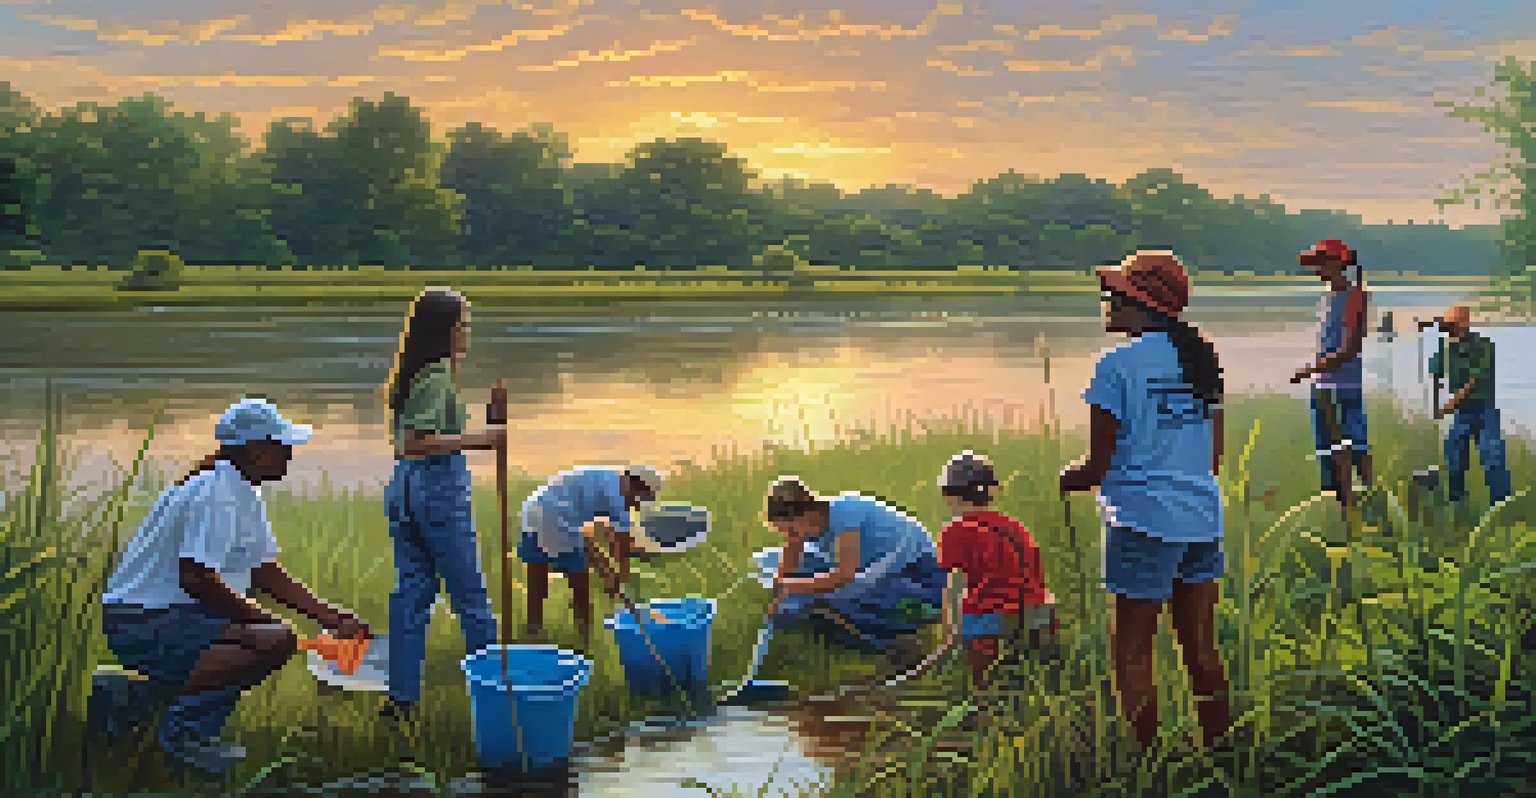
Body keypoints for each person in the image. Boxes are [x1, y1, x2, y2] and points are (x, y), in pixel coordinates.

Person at [99, 399, 371, 775]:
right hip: (141, 623)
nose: (291, 454)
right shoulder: (217, 494)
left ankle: (129, 699)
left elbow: (263, 571)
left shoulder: (239, 489)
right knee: (270, 641)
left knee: (267, 638)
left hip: (158, 618)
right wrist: (264, 622)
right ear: (258, 452)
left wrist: (332, 616)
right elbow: (195, 578)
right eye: (283, 445)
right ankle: (183, 737)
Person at [1060, 250, 1231, 753]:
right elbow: (1211, 458)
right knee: (1200, 647)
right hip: (1201, 520)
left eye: (1113, 294)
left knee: (1132, 654)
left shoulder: (1115, 367)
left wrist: (1069, 477)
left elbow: (1097, 467)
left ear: (1140, 302)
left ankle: (1148, 767)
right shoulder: (1201, 360)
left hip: (1141, 524)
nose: (1105, 302)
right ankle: (1222, 756)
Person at [383, 287, 504, 721]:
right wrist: (483, 440)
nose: (467, 334)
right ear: (447, 329)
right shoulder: (434, 376)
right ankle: (495, 694)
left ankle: (401, 700)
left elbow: (408, 443)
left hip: (404, 489)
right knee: (471, 597)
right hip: (435, 488)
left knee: (412, 594)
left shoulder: (414, 375)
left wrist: (485, 422)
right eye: (464, 324)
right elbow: (417, 443)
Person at [755, 477, 946, 662]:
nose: (791, 537)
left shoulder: (846, 512)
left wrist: (790, 587)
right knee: (771, 563)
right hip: (874, 571)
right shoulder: (806, 527)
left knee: (833, 599)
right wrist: (777, 595)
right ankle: (836, 619)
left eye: (791, 530)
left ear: (807, 513)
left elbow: (844, 575)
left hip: (918, 575)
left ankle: (898, 639)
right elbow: (786, 569)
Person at [936, 451, 1058, 689]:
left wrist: (948, 630)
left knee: (986, 691)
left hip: (990, 619)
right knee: (1034, 688)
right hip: (1040, 612)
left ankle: (981, 704)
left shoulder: (955, 529)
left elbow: (950, 586)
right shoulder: (1015, 525)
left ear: (949, 495)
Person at [517, 464, 665, 638]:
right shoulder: (618, 498)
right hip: (558, 519)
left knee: (537, 580)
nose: (636, 507)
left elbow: (608, 537)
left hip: (532, 511)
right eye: (639, 501)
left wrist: (606, 565)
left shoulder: (606, 478)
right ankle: (584, 639)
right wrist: (619, 582)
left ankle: (533, 632)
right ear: (634, 487)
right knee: (580, 583)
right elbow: (621, 547)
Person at [1290, 239, 1375, 514]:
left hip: (1342, 384)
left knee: (1351, 448)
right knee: (1329, 452)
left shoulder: (1354, 296)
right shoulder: (1328, 298)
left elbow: (1350, 348)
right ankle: (1342, 514)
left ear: (1339, 264)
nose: (1317, 268)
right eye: (1315, 263)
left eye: (1322, 262)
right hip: (1323, 384)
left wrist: (1310, 370)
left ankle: (1367, 508)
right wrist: (1315, 372)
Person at [1428, 304, 1512, 509]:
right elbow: (1435, 375)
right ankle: (1457, 508)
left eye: (1453, 324)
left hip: (1484, 410)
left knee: (1493, 458)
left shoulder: (1483, 345)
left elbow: (1473, 381)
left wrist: (1448, 405)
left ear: (1464, 323)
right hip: (1461, 414)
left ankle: (1501, 507)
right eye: (1448, 324)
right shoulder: (1446, 347)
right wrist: (1436, 402)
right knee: (1454, 459)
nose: (1450, 328)